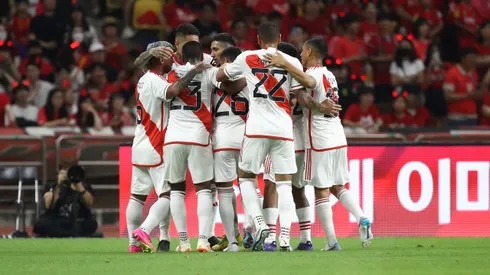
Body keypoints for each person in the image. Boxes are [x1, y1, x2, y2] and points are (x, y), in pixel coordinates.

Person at [216, 22, 341, 251]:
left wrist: (225, 70)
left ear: (258, 39)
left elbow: (220, 74)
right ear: (280, 37)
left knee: (245, 177)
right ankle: (284, 238)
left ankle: (262, 226)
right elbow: (304, 92)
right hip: (284, 129)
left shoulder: (247, 57)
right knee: (285, 185)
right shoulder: (292, 61)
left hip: (256, 128)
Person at [265, 37, 374, 249]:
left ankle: (332, 241)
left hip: (319, 138)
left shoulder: (311, 74)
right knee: (338, 186)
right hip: (338, 135)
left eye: (303, 52)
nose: (300, 56)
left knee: (321, 190)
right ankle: (362, 218)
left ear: (309, 52)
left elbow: (308, 89)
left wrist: (285, 64)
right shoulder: (330, 74)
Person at [127, 41, 210, 253]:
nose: (173, 60)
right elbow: (172, 91)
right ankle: (144, 230)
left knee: (137, 197)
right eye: (170, 56)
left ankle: (133, 244)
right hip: (156, 144)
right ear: (161, 59)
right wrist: (194, 71)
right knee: (169, 194)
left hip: (139, 144)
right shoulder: (155, 80)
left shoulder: (142, 81)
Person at [163, 41, 243, 252]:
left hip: (173, 138)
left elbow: (170, 92)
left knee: (176, 191)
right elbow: (230, 86)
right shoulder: (209, 72)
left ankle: (183, 242)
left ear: (181, 55)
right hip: (199, 137)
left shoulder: (172, 73)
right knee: (204, 191)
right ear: (202, 56)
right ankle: (202, 240)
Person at [261, 42, 313, 251]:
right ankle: (306, 238)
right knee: (298, 190)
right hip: (302, 140)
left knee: (272, 186)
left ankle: (272, 237)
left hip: (280, 137)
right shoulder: (303, 76)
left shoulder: (277, 76)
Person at [211, 46, 248, 252]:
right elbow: (239, 85)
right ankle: (253, 232)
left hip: (222, 137)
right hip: (246, 136)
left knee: (225, 191)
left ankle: (233, 242)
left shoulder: (213, 74)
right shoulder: (250, 77)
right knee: (249, 187)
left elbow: (229, 86)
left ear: (226, 59)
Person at [33, 160, 97, 237]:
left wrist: (80, 187)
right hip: (57, 220)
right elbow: (48, 206)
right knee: (41, 224)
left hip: (78, 220)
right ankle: (70, 233)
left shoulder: (83, 185)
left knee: (91, 224)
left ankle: (62, 233)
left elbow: (89, 203)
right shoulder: (52, 186)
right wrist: (58, 186)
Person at [443, 47, 482, 126]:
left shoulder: (474, 74)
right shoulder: (452, 73)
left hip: (472, 116)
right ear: (463, 58)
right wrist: (468, 96)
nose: (473, 60)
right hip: (457, 118)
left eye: (474, 57)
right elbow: (447, 96)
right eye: (470, 57)